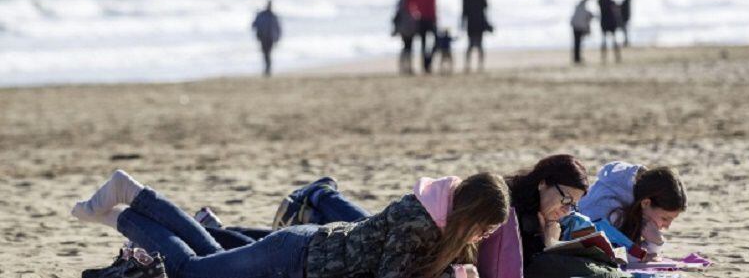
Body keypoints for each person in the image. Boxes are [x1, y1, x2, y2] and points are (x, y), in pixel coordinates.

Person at [72, 170, 510, 278]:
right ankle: (128, 205)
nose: (486, 236)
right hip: (296, 259)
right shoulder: (422, 225)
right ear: (471, 213)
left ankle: (126, 203)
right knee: (190, 272)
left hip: (306, 248)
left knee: (209, 257)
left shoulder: (433, 210)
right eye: (487, 227)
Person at [579, 161, 687, 261]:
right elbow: (609, 256)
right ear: (645, 203)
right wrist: (654, 243)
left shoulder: (636, 205)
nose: (667, 226)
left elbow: (634, 250)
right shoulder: (608, 207)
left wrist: (654, 242)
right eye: (665, 218)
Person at [461, 0, 491, 72]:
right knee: (474, 45)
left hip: (475, 21)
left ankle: (477, 65)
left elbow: (464, 9)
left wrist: (462, 21)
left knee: (476, 45)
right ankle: (473, 65)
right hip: (475, 21)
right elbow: (485, 6)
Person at [411, 0, 439, 73]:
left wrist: (415, 13)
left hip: (421, 19)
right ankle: (428, 61)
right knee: (436, 41)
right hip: (430, 19)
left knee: (423, 43)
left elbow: (411, 2)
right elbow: (433, 6)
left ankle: (424, 64)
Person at [392, 0, 419, 75]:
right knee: (406, 47)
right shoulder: (403, 1)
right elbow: (399, 15)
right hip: (404, 27)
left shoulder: (410, 1)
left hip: (410, 27)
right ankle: (404, 66)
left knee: (409, 47)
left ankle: (408, 67)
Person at [251, 0, 282, 77]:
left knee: (268, 54)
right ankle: (267, 69)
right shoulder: (262, 15)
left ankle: (268, 69)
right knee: (265, 54)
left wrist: (277, 38)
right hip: (263, 37)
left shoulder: (273, 16)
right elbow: (254, 25)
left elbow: (278, 28)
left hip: (270, 38)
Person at [597, 0, 621, 64]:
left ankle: (605, 57)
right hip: (610, 21)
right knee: (613, 40)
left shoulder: (601, 0)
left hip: (605, 22)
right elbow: (616, 10)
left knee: (605, 40)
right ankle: (616, 56)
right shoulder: (609, 1)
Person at [570, 0, 593, 64]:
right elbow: (585, 16)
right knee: (578, 43)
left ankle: (577, 57)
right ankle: (577, 58)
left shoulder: (580, 5)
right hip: (578, 26)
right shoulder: (583, 5)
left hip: (576, 25)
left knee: (577, 43)